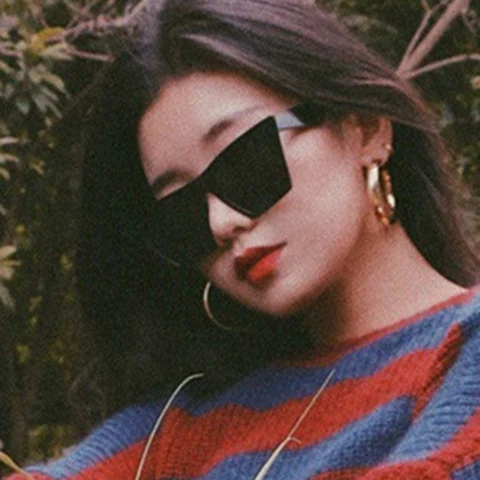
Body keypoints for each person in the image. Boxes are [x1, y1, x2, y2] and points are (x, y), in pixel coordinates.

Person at [6, 0, 480, 478]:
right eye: (182, 211)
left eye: (246, 162)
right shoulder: (180, 427)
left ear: (366, 129)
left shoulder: (465, 360)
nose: (221, 222)